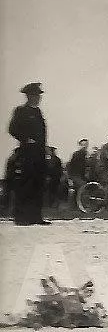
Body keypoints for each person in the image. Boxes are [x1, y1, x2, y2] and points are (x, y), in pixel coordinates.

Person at [7, 82, 49, 225]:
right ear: (29, 96)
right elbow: (12, 129)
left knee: (38, 184)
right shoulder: (21, 111)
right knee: (26, 184)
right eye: (35, 95)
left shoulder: (38, 112)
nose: (38, 98)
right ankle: (21, 218)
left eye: (39, 96)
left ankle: (36, 217)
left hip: (39, 154)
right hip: (27, 154)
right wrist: (26, 139)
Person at [66, 139, 89, 206]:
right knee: (82, 186)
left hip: (81, 176)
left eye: (86, 145)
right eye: (83, 145)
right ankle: (80, 205)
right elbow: (69, 166)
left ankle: (79, 205)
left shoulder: (86, 155)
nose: (84, 146)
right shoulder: (76, 154)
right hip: (75, 176)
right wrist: (70, 178)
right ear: (80, 145)